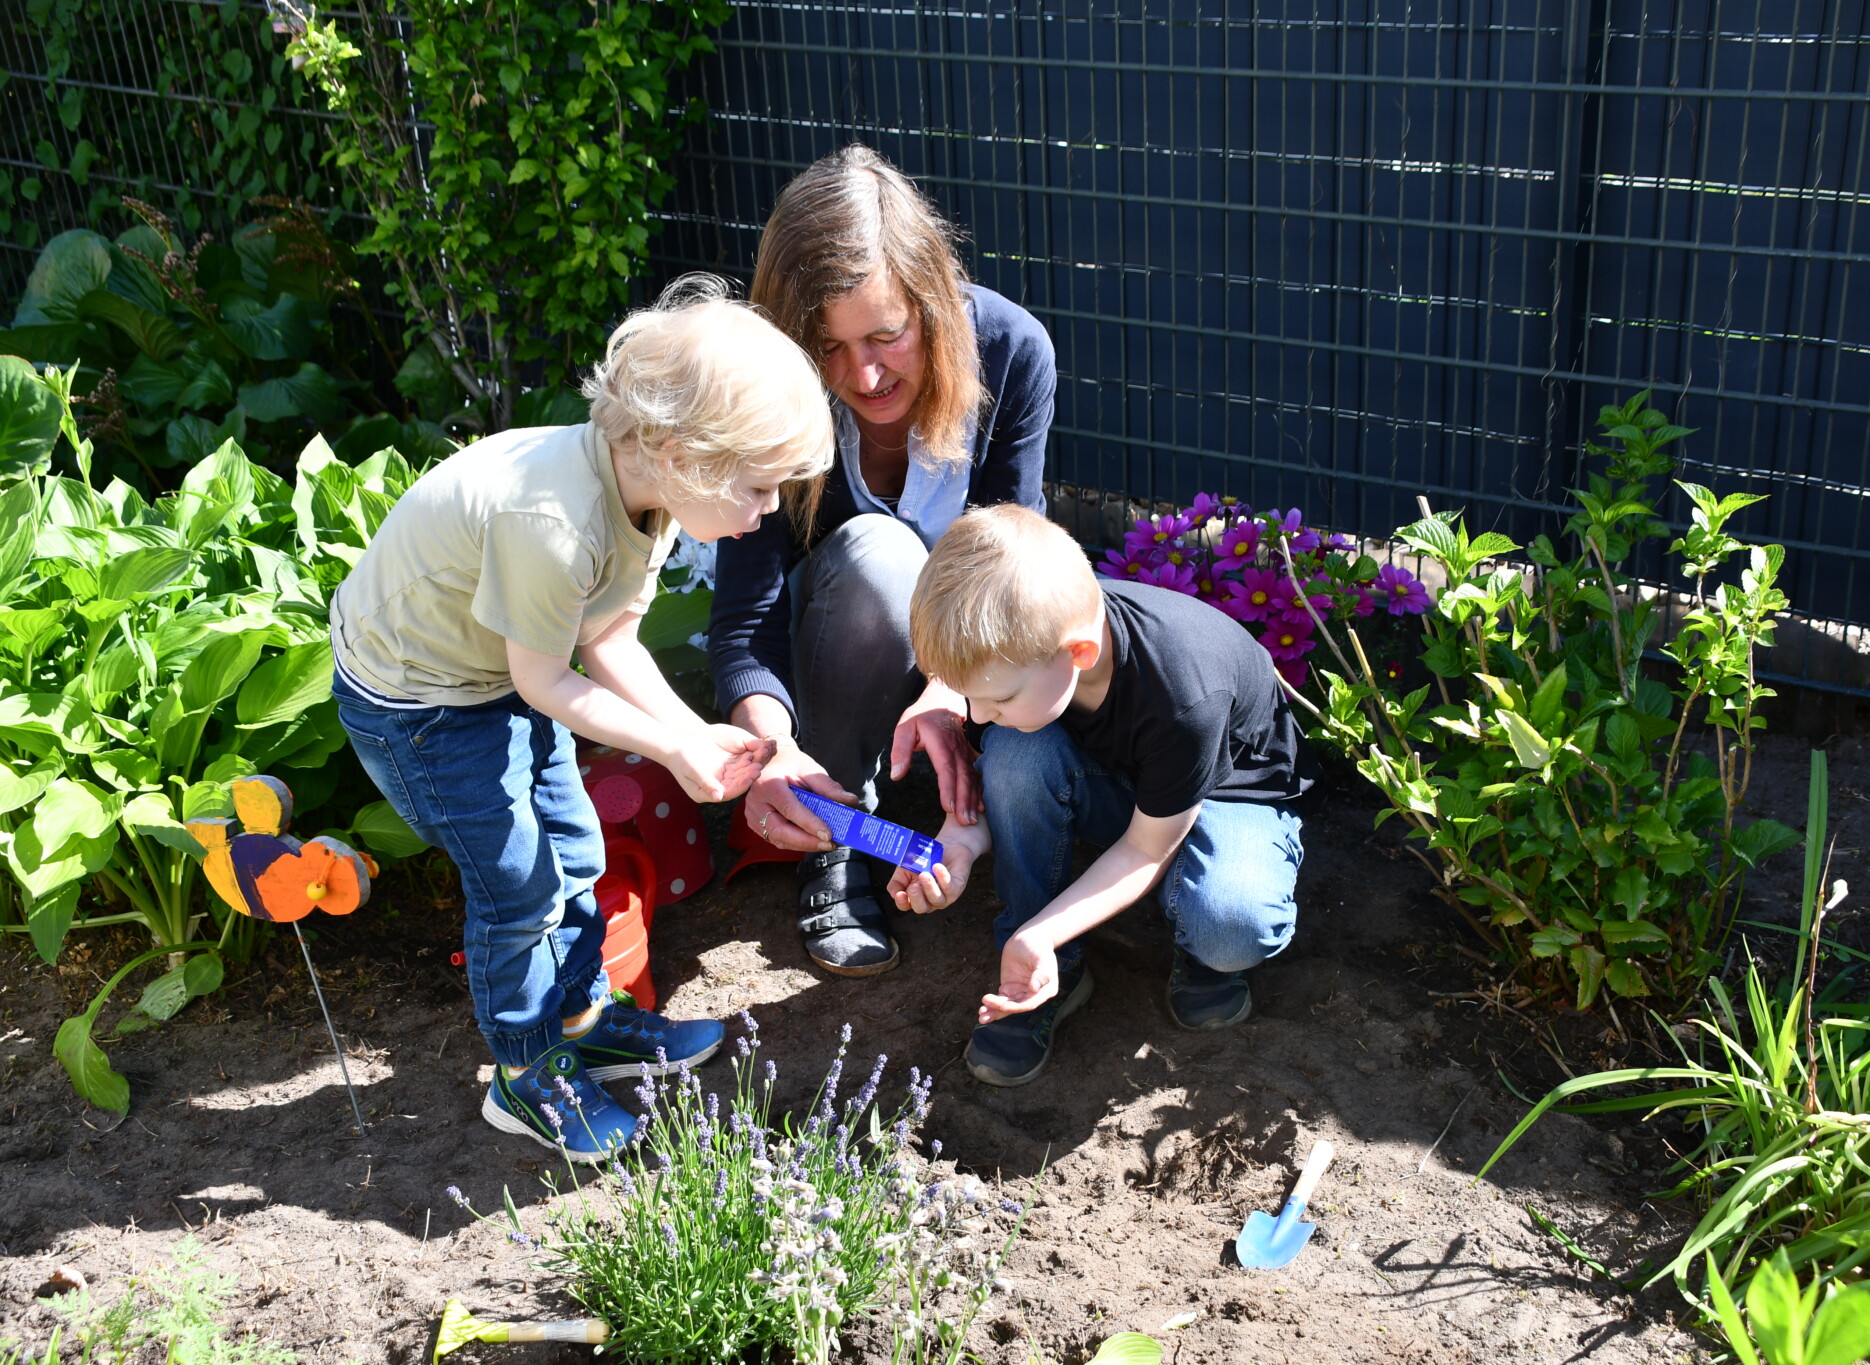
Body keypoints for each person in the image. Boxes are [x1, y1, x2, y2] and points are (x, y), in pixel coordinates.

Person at [329, 278, 834, 1160]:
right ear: (682, 451)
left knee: (578, 851)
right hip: (418, 701)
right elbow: (544, 685)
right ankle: (525, 1075)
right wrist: (675, 748)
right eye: (758, 489)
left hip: (485, 676)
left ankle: (585, 1021)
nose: (765, 513)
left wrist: (691, 731)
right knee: (516, 884)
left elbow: (609, 638)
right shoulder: (554, 520)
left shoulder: (649, 497)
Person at [709, 145, 1056, 977]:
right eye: (825, 348)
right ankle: (835, 833)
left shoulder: (1011, 353)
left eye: (886, 336)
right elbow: (745, 621)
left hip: (957, 665)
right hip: (820, 655)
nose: (860, 374)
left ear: (931, 303)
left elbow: (1015, 568)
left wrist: (949, 690)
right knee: (878, 554)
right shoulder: (767, 391)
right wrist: (769, 751)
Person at [893, 505, 1314, 1086]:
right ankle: (1044, 971)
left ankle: (1183, 928)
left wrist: (1045, 927)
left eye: (997, 701)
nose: (978, 716)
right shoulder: (1014, 662)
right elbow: (1003, 766)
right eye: (969, 698)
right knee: (1016, 755)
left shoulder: (1182, 691)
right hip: (1128, 782)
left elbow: (1146, 847)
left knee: (1229, 926)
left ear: (1079, 656)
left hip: (1228, 791)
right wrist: (958, 846)